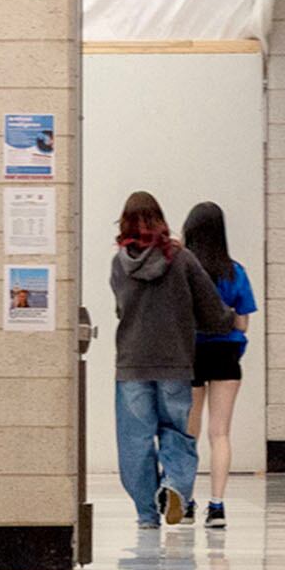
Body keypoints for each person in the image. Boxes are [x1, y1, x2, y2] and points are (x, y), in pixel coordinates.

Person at [107, 191, 229, 530]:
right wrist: (227, 319)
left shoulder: (119, 263)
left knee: (135, 439)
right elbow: (211, 310)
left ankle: (147, 513)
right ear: (160, 218)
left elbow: (120, 307)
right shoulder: (182, 258)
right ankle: (174, 484)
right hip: (175, 362)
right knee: (176, 430)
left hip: (132, 363)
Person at [178, 202, 257, 528]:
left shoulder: (183, 271)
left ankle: (185, 502)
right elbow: (242, 325)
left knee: (189, 432)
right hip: (226, 356)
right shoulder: (235, 272)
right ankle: (218, 506)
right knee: (220, 433)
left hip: (192, 354)